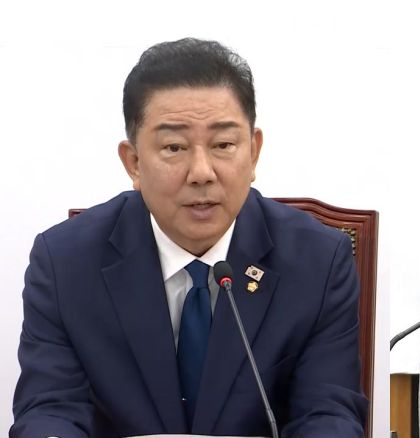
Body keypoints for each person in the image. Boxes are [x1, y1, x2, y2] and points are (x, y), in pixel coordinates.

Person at [11, 38, 367, 437]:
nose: (201, 172)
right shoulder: (65, 263)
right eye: (174, 147)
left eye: (223, 145)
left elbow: (327, 414)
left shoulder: (318, 263)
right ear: (134, 162)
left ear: (253, 152)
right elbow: (50, 410)